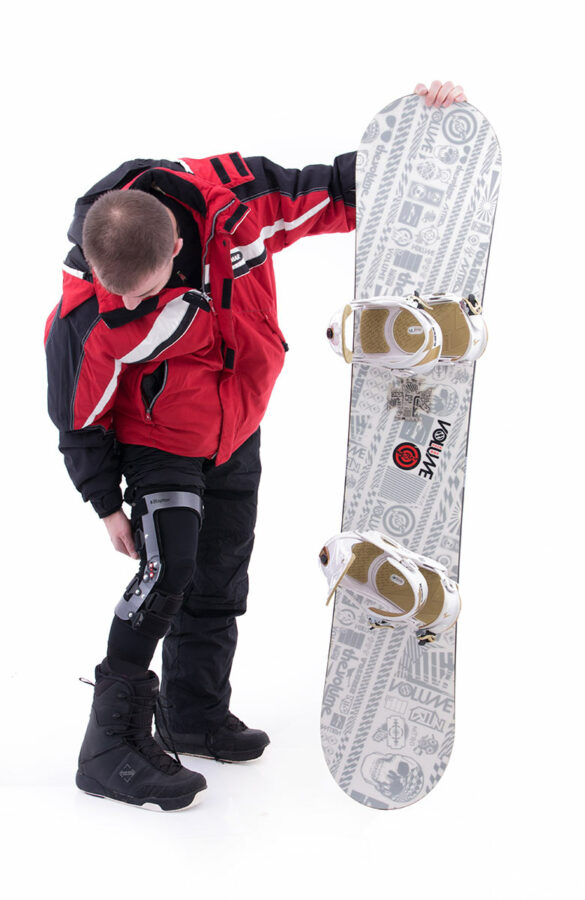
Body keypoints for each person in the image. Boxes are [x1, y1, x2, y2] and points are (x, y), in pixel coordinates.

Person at [44, 80, 467, 812]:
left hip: (236, 424)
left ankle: (193, 713)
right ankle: (108, 746)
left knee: (219, 574)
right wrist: (105, 503)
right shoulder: (89, 305)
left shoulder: (235, 202)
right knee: (167, 572)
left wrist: (424, 133)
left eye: (145, 291)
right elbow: (76, 416)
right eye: (124, 297)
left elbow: (333, 190)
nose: (133, 306)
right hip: (158, 439)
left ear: (178, 247)